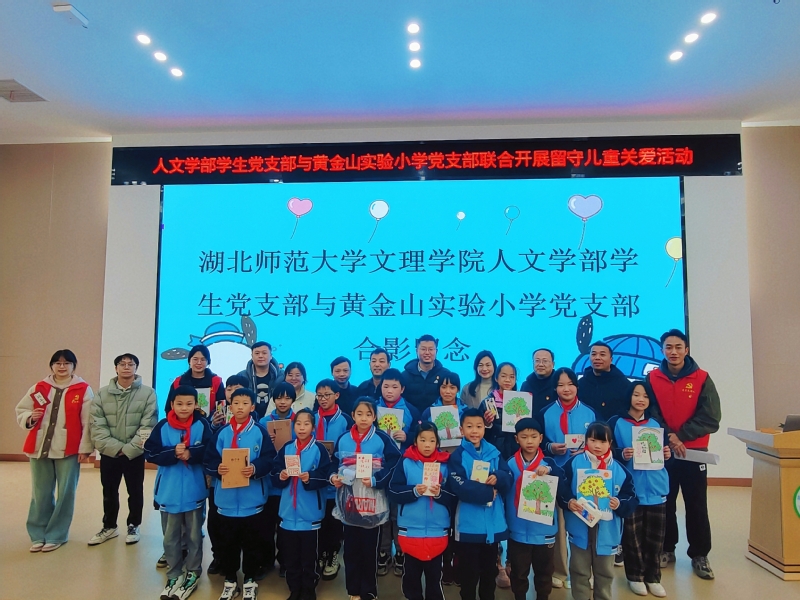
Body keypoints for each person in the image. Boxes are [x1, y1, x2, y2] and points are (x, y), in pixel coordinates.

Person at [646, 329, 721, 581]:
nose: (674, 351)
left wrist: (682, 436)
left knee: (696, 504)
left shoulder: (702, 378)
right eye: (668, 347)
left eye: (678, 347)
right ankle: (666, 549)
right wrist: (670, 437)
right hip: (664, 450)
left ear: (686, 349)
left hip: (694, 452)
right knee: (665, 502)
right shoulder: (652, 378)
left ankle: (699, 554)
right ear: (662, 350)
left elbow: (711, 417)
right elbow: (650, 412)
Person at [15, 349, 94, 553]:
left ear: (73, 366)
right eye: (57, 363)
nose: (62, 366)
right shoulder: (39, 387)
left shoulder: (83, 389)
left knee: (66, 493)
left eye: (67, 363)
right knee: (40, 492)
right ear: (51, 366)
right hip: (39, 447)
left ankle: (57, 534)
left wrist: (85, 448)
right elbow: (21, 409)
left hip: (69, 449)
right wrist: (30, 417)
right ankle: (38, 533)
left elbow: (88, 421)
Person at [204, 388, 277, 600]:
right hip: (225, 502)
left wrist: (255, 468)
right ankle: (230, 580)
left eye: (245, 404)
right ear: (230, 406)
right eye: (236, 403)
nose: (240, 407)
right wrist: (217, 468)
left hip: (252, 501)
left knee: (252, 543)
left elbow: (269, 459)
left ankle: (250, 579)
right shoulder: (222, 433)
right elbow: (209, 459)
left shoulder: (260, 432)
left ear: (252, 407)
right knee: (228, 544)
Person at [144, 385, 211, 600]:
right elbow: (150, 452)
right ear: (172, 404)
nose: (184, 408)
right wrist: (173, 452)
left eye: (189, 404)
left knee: (194, 536)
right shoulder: (162, 426)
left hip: (194, 491)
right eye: (179, 403)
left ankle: (193, 572)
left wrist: (191, 453)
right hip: (169, 492)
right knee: (170, 537)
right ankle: (174, 573)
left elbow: (210, 450)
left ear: (196, 404)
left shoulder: (201, 424)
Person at [330, 397, 401, 600]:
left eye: (368, 414)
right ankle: (353, 592)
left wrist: (377, 479)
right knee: (351, 550)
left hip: (372, 502)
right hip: (349, 501)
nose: (363, 418)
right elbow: (333, 463)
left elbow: (395, 462)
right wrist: (333, 477)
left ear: (374, 417)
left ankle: (369, 592)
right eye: (359, 414)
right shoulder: (343, 438)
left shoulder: (381, 439)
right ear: (352, 415)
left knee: (370, 551)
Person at [558, 422, 638, 600]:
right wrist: (569, 502)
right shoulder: (574, 463)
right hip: (579, 527)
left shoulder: (620, 470)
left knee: (605, 572)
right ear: (586, 440)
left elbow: (632, 497)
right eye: (593, 440)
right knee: (579, 570)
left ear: (610, 443)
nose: (597, 445)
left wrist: (620, 503)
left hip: (607, 530)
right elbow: (561, 488)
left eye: (603, 441)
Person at [608, 382, 671, 598]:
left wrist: (667, 454)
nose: (640, 399)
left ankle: (653, 577)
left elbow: (665, 454)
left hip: (655, 487)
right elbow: (606, 452)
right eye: (636, 395)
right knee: (632, 536)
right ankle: (635, 576)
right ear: (629, 397)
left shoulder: (656, 424)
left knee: (655, 536)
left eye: (645, 396)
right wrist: (621, 453)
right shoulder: (616, 422)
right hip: (631, 489)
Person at [89, 353, 157, 546]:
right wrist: (116, 448)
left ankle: (134, 525)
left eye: (130, 364)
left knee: (135, 491)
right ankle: (109, 526)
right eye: (122, 364)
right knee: (109, 491)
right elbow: (97, 425)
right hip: (109, 453)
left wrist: (129, 449)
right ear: (116, 368)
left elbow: (148, 424)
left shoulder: (148, 393)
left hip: (134, 453)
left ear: (136, 368)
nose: (126, 367)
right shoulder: (101, 394)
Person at [538, 367, 596, 589]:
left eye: (570, 384)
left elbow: (600, 441)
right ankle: (560, 572)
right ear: (555, 388)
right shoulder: (545, 412)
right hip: (555, 473)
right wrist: (551, 447)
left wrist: (586, 449)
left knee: (583, 524)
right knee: (558, 524)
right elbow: (539, 442)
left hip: (583, 476)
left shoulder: (589, 413)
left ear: (576, 386)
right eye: (561, 385)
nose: (566, 389)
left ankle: (584, 572)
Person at [447, 408, 513, 600]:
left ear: (485, 428)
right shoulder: (458, 456)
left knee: (489, 573)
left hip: (492, 525)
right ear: (461, 430)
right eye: (469, 426)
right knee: (468, 575)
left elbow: (508, 476)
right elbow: (458, 485)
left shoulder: (494, 452)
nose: (474, 431)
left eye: (479, 426)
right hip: (468, 526)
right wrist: (487, 493)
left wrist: (498, 477)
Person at [389, 422, 456, 600]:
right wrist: (414, 491)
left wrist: (440, 494)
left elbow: (455, 496)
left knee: (434, 578)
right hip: (410, 530)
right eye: (423, 440)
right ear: (415, 441)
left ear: (438, 443)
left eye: (432, 440)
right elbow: (393, 490)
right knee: (411, 578)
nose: (427, 445)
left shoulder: (445, 464)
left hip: (438, 530)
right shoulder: (405, 461)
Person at [271, 409, 333, 600]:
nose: (302, 428)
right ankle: (294, 589)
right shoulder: (287, 447)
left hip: (310, 515)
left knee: (309, 557)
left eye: (306, 424)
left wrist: (310, 478)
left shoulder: (319, 449)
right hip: (288, 514)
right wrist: (281, 475)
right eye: (298, 424)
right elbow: (275, 471)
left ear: (313, 427)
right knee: (291, 557)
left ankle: (308, 590)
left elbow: (325, 476)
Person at [504, 418, 565, 600]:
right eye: (524, 437)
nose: (529, 441)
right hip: (517, 529)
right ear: (516, 439)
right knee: (518, 572)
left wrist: (549, 470)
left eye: (533, 437)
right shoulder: (509, 464)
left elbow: (562, 481)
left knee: (544, 573)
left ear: (541, 438)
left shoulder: (549, 464)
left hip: (543, 531)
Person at [376, 368, 421, 575]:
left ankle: (401, 551)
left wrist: (408, 437)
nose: (389, 390)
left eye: (394, 387)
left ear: (402, 389)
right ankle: (383, 551)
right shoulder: (373, 408)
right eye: (386, 386)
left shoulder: (411, 409)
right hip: (379, 466)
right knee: (382, 511)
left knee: (398, 512)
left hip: (402, 467)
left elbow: (421, 436)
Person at [207, 374, 250, 575]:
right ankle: (220, 559)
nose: (233, 393)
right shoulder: (217, 418)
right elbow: (209, 454)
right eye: (229, 389)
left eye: (238, 389)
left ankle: (249, 567)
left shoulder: (255, 423)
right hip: (222, 486)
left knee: (247, 528)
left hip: (248, 486)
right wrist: (213, 425)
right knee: (218, 524)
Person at [313, 379, 354, 581]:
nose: (323, 399)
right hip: (316, 479)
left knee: (335, 522)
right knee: (319, 521)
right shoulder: (311, 418)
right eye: (319, 395)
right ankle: (321, 554)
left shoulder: (346, 420)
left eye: (327, 395)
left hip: (338, 481)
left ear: (337, 395)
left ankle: (333, 555)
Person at [259, 381, 298, 577]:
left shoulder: (299, 421)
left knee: (285, 526)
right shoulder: (264, 421)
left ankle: (285, 562)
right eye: (279, 398)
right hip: (268, 481)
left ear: (293, 400)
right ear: (273, 399)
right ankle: (266, 562)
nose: (283, 402)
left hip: (288, 482)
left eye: (287, 398)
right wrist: (267, 442)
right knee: (266, 525)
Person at [576, 342, 630, 422]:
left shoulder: (624, 385)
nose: (597, 358)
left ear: (611, 359)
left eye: (602, 354)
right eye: (594, 354)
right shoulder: (580, 384)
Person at [480, 361, 520, 460]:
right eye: (503, 376)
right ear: (496, 378)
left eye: (512, 377)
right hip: (493, 451)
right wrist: (487, 424)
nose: (507, 380)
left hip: (516, 451)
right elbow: (479, 431)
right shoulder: (488, 402)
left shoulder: (521, 401)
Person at [171, 344, 226, 417]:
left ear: (208, 362)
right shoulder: (178, 382)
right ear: (189, 361)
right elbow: (169, 408)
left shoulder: (216, 382)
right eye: (195, 359)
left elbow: (221, 408)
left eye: (203, 359)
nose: (199, 363)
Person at [237, 341, 285, 419]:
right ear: (252, 356)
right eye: (257, 353)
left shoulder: (282, 376)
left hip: (276, 419)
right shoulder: (241, 376)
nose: (260, 356)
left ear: (271, 356)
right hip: (247, 419)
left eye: (264, 353)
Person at [403, 335, 447, 413]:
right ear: (417, 351)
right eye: (423, 349)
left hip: (438, 418)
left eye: (431, 349)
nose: (427, 353)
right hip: (411, 418)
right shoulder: (404, 376)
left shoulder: (445, 375)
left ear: (436, 351)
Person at [520, 349, 557, 415]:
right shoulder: (526, 385)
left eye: (545, 361)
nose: (540, 364)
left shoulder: (559, 384)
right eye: (537, 361)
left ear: (553, 364)